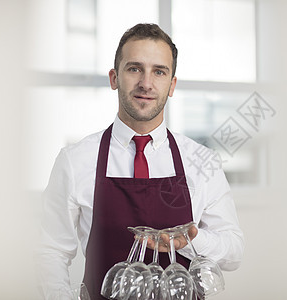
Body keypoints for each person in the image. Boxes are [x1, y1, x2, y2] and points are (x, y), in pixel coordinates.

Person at [36, 23, 244, 299]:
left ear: (172, 85)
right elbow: (50, 251)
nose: (146, 83)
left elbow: (233, 252)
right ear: (114, 78)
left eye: (159, 71)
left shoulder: (201, 161)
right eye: (134, 68)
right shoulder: (75, 161)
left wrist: (191, 240)